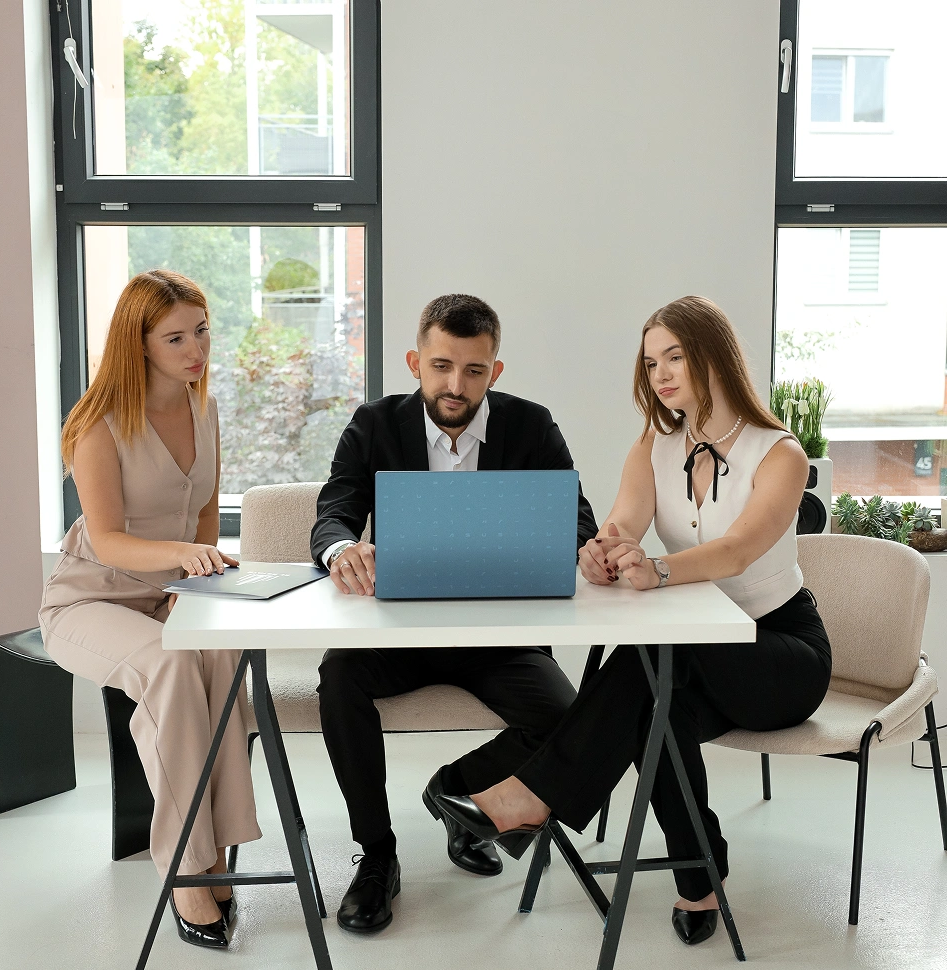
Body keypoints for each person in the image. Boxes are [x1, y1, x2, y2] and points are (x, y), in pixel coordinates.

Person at [436, 295, 832, 947]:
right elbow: (623, 521)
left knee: (659, 653)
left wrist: (660, 570)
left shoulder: (779, 452)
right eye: (651, 363)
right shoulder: (656, 445)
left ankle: (530, 796)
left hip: (780, 653)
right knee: (657, 709)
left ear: (714, 357)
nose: (661, 374)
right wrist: (603, 552)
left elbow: (737, 550)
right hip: (695, 657)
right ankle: (700, 875)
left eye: (675, 357)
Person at [309, 293, 599, 932]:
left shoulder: (531, 425)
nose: (455, 385)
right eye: (441, 366)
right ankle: (377, 856)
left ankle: (461, 797)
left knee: (569, 719)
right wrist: (340, 549)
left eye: (474, 370)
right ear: (415, 363)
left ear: (496, 370)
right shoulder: (374, 424)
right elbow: (333, 512)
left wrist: (589, 548)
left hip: (503, 636)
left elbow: (577, 518)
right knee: (338, 679)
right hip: (398, 632)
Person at [39, 270, 261, 950]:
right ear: (137, 343)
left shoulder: (204, 408)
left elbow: (204, 514)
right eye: (175, 338)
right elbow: (106, 539)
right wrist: (184, 557)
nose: (196, 349)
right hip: (90, 598)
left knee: (223, 660)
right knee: (170, 669)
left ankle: (218, 851)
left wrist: (200, 574)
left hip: (171, 595)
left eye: (201, 331)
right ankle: (185, 868)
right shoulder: (97, 424)